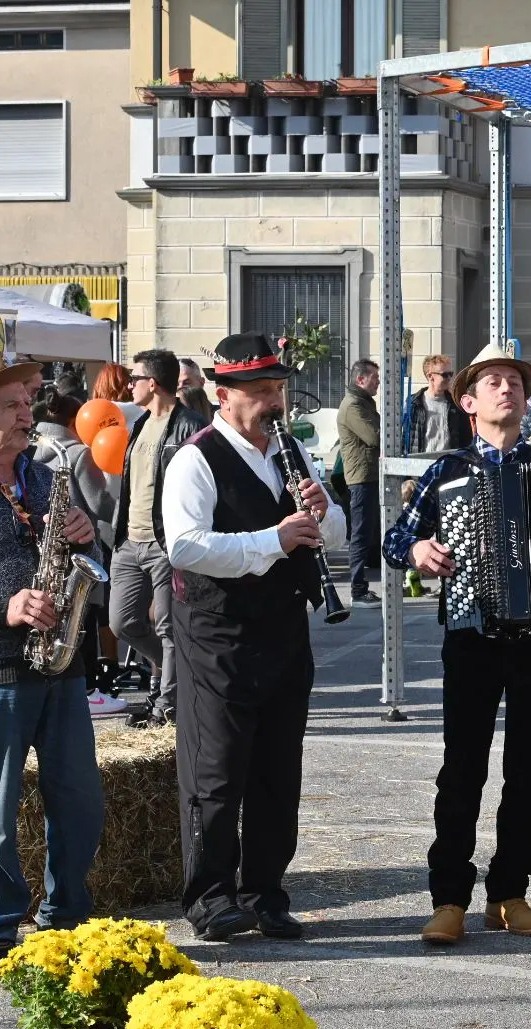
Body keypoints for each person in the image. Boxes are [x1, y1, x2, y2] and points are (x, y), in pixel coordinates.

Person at [383, 343, 531, 945]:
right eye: (493, 382)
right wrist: (418, 549)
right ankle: (449, 897)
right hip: (472, 636)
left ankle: (509, 892)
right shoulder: (448, 471)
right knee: (462, 770)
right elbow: (396, 539)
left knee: (529, 770)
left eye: (514, 381)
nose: (506, 388)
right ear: (468, 402)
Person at [162, 332, 346, 942]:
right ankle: (210, 897)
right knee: (216, 773)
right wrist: (274, 539)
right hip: (218, 632)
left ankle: (266, 892)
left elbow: (335, 533)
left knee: (277, 771)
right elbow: (185, 546)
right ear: (224, 395)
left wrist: (323, 512)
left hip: (284, 629)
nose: (274, 401)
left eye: (277, 388)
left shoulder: (291, 452)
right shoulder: (195, 459)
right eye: (261, 390)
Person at [0, 350, 103, 975]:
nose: (29, 414)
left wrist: (86, 535)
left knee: (79, 801)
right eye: (12, 405)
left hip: (59, 664)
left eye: (27, 402)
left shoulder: (45, 477)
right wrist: (5, 607)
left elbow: (93, 560)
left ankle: (67, 915)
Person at [109, 350, 207, 729]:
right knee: (122, 622)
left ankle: (165, 707)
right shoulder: (139, 424)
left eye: (134, 379)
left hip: (165, 542)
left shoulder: (189, 426)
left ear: (152, 384)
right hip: (129, 542)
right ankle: (175, 668)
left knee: (168, 627)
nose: (128, 386)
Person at [30, 391, 124, 717]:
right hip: (81, 548)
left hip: (49, 551)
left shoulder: (34, 451)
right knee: (84, 620)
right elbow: (100, 505)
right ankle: (88, 691)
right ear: (75, 421)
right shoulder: (79, 453)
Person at [337, 359, 381, 607]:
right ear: (360, 379)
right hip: (361, 478)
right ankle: (357, 589)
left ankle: (363, 586)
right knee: (361, 533)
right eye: (374, 377)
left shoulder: (363, 402)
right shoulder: (353, 405)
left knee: (371, 531)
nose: (378, 382)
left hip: (370, 474)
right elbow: (374, 436)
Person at [410, 354, 469, 454]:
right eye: (444, 375)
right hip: (421, 460)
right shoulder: (414, 403)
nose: (449, 378)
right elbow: (407, 438)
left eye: (451, 374)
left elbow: (466, 437)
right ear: (430, 376)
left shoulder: (455, 403)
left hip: (449, 461)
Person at [92, 361, 145, 427]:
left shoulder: (92, 412)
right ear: (123, 384)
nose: (131, 385)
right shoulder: (137, 410)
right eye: (130, 380)